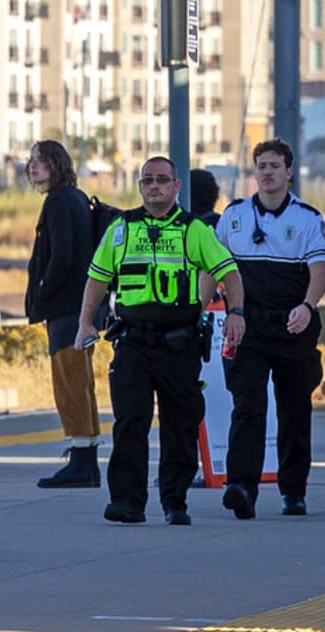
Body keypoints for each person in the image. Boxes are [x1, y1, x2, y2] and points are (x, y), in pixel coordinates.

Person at [74, 156, 245, 526]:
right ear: (140, 187)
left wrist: (236, 313)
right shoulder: (122, 228)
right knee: (130, 422)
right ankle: (126, 502)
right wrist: (85, 322)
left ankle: (175, 500)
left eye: (162, 180)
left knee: (180, 424)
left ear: (176, 187)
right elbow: (97, 279)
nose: (155, 186)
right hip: (133, 341)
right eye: (148, 180)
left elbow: (228, 271)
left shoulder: (193, 230)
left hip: (178, 343)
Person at [218, 139, 325, 518]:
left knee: (294, 408)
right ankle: (241, 486)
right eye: (261, 166)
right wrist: (204, 310)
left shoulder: (307, 219)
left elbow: (320, 271)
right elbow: (213, 269)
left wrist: (307, 306)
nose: (267, 172)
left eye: (274, 166)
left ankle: (293, 488)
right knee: (248, 405)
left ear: (289, 172)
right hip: (247, 324)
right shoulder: (233, 217)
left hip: (293, 326)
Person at [23, 140, 104, 489]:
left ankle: (82, 459)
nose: (32, 166)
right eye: (31, 161)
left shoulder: (58, 202)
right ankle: (86, 458)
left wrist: (41, 292)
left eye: (39, 161)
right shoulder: (75, 197)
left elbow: (62, 256)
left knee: (69, 383)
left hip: (67, 308)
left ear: (57, 164)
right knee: (81, 381)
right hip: (82, 305)